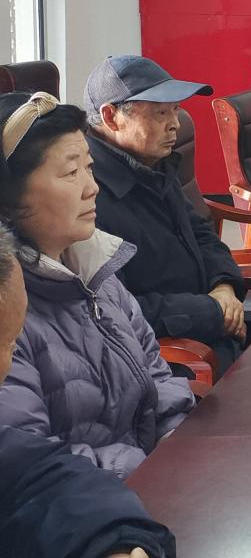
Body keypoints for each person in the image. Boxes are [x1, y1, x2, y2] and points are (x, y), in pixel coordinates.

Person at [0, 92, 194, 479]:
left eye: (89, 168)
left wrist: (178, 438)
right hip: (95, 505)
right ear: (9, 196)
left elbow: (156, 374)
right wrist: (152, 469)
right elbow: (33, 466)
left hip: (156, 485)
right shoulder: (9, 312)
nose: (92, 188)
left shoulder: (95, 269)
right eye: (71, 173)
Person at [0, 229, 176, 558]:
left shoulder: (100, 276)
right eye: (9, 342)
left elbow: (39, 477)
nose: (8, 362)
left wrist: (115, 541)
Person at [83, 55, 248, 374]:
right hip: (170, 359)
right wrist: (212, 311)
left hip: (213, 331)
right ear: (111, 117)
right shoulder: (87, 197)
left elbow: (201, 233)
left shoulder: (152, 165)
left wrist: (224, 287)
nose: (175, 124)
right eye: (161, 112)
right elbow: (116, 311)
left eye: (175, 109)